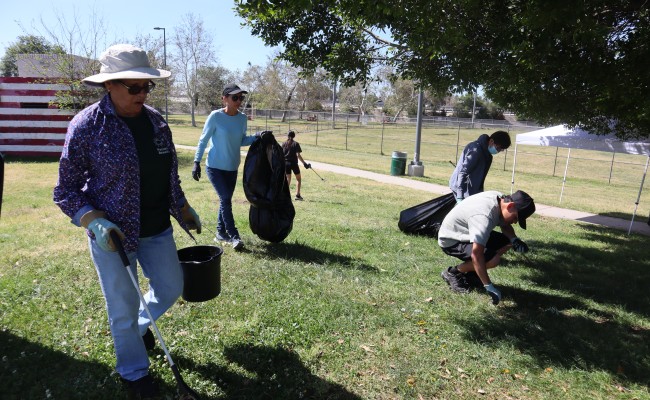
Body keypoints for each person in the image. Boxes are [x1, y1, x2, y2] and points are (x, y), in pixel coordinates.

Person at [53, 44, 201, 399]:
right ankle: (134, 373)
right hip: (113, 237)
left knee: (170, 287)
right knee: (122, 306)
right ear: (109, 85)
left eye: (146, 87)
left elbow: (169, 176)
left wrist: (181, 208)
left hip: (157, 229)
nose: (142, 94)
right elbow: (66, 190)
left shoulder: (156, 122)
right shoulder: (87, 125)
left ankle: (138, 329)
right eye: (133, 88)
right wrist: (92, 220)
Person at [192, 83, 266, 250]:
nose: (239, 100)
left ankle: (220, 233)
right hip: (215, 168)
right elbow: (203, 140)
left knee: (224, 201)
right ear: (224, 98)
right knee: (225, 199)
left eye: (241, 97)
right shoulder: (215, 116)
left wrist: (255, 137)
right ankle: (234, 236)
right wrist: (196, 162)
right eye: (235, 97)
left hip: (232, 168)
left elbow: (241, 140)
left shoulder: (242, 118)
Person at [437, 190, 536, 304]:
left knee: (506, 242)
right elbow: (476, 255)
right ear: (510, 205)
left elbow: (505, 224)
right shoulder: (483, 216)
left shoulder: (500, 199)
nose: (514, 222)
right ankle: (453, 273)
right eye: (515, 218)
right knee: (493, 259)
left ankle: (472, 274)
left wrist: (514, 240)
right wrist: (489, 287)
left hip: (466, 232)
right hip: (452, 239)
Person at [449, 130, 511, 202]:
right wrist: (460, 196)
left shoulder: (488, 156)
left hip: (472, 191)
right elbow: (463, 173)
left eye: (501, 150)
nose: (498, 151)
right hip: (461, 189)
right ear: (491, 141)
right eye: (498, 148)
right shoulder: (475, 151)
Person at [282, 130, 311, 200]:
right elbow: (298, 155)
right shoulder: (296, 144)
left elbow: (281, 154)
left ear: (288, 136)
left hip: (286, 163)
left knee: (288, 179)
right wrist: (305, 164)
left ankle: (285, 195)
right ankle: (298, 195)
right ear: (294, 136)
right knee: (298, 179)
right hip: (294, 164)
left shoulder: (283, 144)